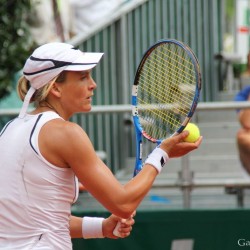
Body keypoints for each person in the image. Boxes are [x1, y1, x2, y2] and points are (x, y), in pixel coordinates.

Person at [0, 42, 202, 249]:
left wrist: (103, 227)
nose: (93, 84)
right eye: (83, 77)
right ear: (56, 88)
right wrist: (162, 154)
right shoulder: (65, 133)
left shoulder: (9, 130)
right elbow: (123, 204)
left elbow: (39, 222)